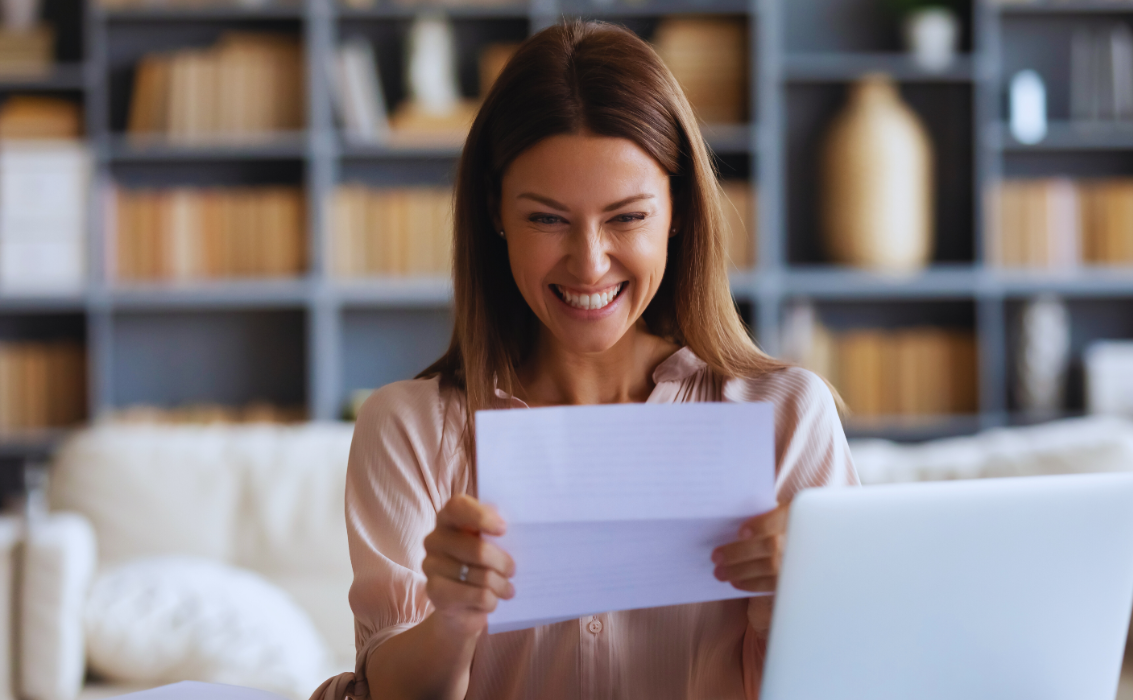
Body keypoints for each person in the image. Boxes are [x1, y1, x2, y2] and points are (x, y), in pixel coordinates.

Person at [311, 19, 857, 700]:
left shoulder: (787, 418)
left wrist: (794, 599)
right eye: (546, 219)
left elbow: (850, 680)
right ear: (495, 212)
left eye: (627, 217)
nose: (589, 263)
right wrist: (452, 620)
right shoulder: (408, 429)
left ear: (679, 210)